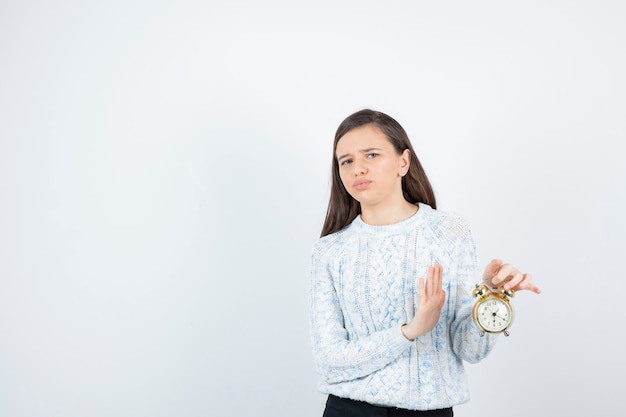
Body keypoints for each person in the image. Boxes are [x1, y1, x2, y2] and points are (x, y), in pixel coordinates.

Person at [308, 109, 541, 416]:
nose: (358, 169)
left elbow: (469, 350)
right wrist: (409, 331)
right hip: (348, 410)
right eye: (346, 161)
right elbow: (329, 360)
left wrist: (492, 297)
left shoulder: (451, 233)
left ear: (403, 162)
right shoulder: (330, 251)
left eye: (372, 155)